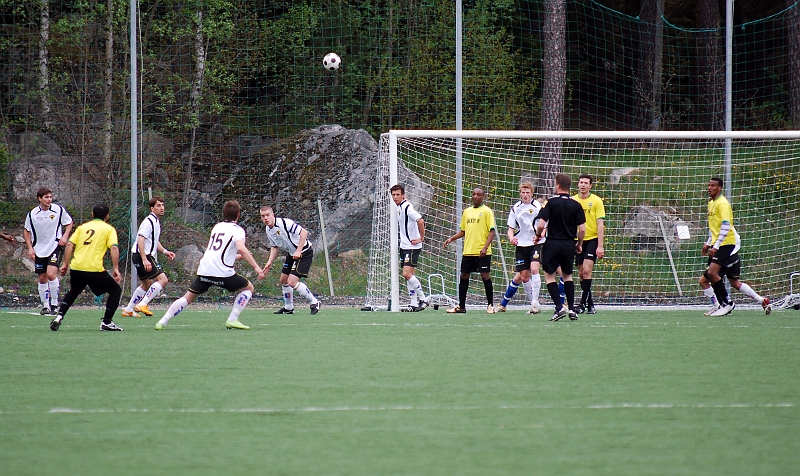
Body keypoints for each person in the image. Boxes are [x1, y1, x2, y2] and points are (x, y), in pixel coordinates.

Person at [155, 200, 265, 330]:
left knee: (188, 297)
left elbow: (217, 252)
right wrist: (257, 267)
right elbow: (241, 248)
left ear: (223, 213)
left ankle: (162, 321)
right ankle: (232, 319)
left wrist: (236, 257)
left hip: (205, 270)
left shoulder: (217, 227)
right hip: (222, 274)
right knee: (248, 288)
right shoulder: (238, 230)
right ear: (238, 215)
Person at [700, 177, 770, 317]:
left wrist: (716, 246)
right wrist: (709, 243)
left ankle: (726, 304)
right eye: (708, 185)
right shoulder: (711, 203)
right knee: (731, 282)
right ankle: (758, 300)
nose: (709, 188)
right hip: (722, 244)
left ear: (719, 188)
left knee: (712, 275)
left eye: (713, 185)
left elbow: (726, 226)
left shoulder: (723, 204)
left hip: (727, 244)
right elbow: (714, 228)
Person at [49, 203, 123, 332]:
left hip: (76, 267)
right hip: (93, 268)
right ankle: (106, 322)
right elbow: (114, 247)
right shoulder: (108, 229)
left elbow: (69, 244)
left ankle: (59, 316)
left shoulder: (82, 228)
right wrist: (116, 268)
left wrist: (65, 264)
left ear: (92, 214)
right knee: (115, 291)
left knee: (74, 291)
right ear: (107, 216)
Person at [534, 173, 586, 322]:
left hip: (552, 243)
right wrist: (579, 244)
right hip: (569, 244)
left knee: (549, 275)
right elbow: (582, 229)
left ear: (557, 185)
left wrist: (538, 236)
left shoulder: (551, 202)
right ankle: (571, 309)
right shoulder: (576, 205)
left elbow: (541, 225)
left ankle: (559, 307)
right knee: (567, 275)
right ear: (570, 187)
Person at [443, 187, 497, 314]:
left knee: (485, 276)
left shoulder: (487, 211)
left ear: (483, 197)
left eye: (478, 194)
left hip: (482, 252)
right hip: (468, 251)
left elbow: (492, 231)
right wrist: (451, 238)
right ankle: (461, 306)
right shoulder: (467, 211)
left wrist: (485, 247)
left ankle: (490, 305)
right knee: (464, 275)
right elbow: (463, 230)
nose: (475, 196)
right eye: (473, 194)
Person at [260, 205, 321, 315]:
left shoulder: (285, 223)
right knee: (283, 280)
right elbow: (274, 247)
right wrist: (269, 262)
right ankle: (289, 307)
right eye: (263, 216)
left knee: (292, 282)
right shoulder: (268, 229)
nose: (265, 218)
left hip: (304, 252)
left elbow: (304, 233)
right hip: (292, 254)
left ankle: (315, 302)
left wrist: (298, 250)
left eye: (267, 215)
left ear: (273, 215)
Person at [121, 196, 176, 317]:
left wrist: (165, 251)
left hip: (139, 256)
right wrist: (145, 259)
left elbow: (154, 241)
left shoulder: (155, 221)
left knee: (146, 284)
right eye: (158, 205)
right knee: (163, 280)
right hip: (142, 256)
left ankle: (129, 309)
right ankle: (142, 304)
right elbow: (140, 240)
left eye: (162, 205)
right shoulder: (149, 222)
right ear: (152, 209)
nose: (162, 208)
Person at [495, 182, 544, 314]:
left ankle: (534, 302)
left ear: (532, 193)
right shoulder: (516, 207)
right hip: (521, 245)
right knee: (523, 277)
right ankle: (533, 304)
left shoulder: (538, 206)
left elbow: (545, 225)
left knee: (534, 269)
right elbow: (510, 228)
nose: (525, 195)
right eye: (523, 192)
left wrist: (541, 235)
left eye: (528, 192)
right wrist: (511, 238)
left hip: (535, 243)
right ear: (520, 193)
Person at [24, 187, 73, 315]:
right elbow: (26, 231)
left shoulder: (58, 210)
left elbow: (69, 223)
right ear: (39, 199)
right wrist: (30, 247)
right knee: (42, 277)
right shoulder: (32, 214)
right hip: (39, 248)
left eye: (50, 197)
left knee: (51, 274)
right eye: (46, 197)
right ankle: (45, 306)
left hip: (54, 246)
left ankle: (54, 304)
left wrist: (65, 236)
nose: (49, 200)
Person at [390, 184, 428, 312]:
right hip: (404, 246)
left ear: (403, 195)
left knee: (406, 273)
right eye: (393, 195)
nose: (395, 197)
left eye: (397, 195)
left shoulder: (407, 208)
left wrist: (421, 238)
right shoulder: (401, 206)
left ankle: (423, 299)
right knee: (409, 275)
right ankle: (413, 303)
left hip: (412, 246)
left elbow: (420, 221)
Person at [572, 174, 605, 314]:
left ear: (590, 186)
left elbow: (600, 224)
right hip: (577, 240)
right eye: (581, 182)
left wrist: (600, 245)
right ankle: (590, 304)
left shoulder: (596, 201)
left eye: (586, 183)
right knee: (581, 273)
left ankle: (582, 304)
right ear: (578, 185)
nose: (583, 185)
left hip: (592, 239)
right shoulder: (573, 201)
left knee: (587, 270)